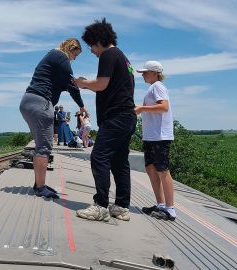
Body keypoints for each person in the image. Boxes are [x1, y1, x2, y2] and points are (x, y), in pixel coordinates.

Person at [74, 18, 136, 221]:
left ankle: (101, 205)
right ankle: (121, 207)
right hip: (127, 116)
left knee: (99, 157)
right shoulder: (124, 59)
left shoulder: (109, 54)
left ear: (99, 40)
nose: (91, 50)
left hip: (116, 117)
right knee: (119, 161)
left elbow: (101, 85)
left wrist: (83, 83)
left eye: (91, 45)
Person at [20, 38, 88, 199]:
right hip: (41, 102)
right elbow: (71, 85)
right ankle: (40, 188)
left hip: (29, 101)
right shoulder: (61, 57)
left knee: (41, 146)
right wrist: (82, 106)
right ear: (70, 48)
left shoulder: (52, 57)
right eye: (75, 54)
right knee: (44, 147)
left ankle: (39, 183)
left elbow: (65, 84)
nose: (74, 58)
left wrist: (84, 85)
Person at [134, 61, 176, 221]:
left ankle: (170, 209)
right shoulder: (153, 88)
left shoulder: (158, 86)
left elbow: (163, 106)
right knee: (151, 168)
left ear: (154, 72)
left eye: (145, 72)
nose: (143, 75)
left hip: (160, 136)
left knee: (162, 170)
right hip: (151, 136)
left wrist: (141, 108)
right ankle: (160, 204)